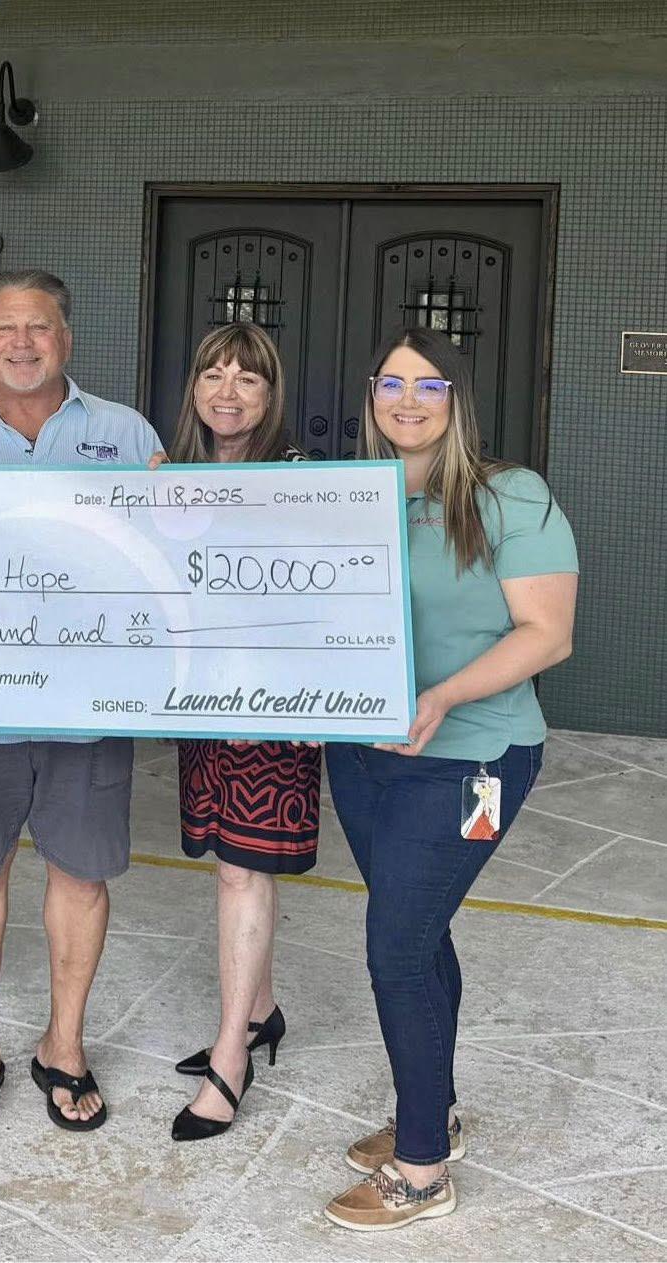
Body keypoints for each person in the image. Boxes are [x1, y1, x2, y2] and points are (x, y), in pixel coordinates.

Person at [322, 327, 577, 1231]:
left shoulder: (512, 496)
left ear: (457, 399)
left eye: (429, 385)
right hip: (361, 755)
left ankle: (422, 1167)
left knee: (396, 949)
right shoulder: (350, 494)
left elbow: (549, 634)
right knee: (418, 935)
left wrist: (442, 695)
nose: (408, 400)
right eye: (392, 382)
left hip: (474, 756)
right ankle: (435, 1111)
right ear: (371, 394)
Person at [0, 269, 163, 1133]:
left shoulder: (125, 434)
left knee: (81, 875)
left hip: (91, 708)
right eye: (5, 329)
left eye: (39, 327)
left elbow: (165, 560)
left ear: (66, 339)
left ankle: (65, 1044)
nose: (22, 343)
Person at [159, 323, 322, 1142]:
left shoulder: (298, 480)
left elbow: (331, 596)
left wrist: (331, 697)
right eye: (214, 374)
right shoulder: (174, 477)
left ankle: (231, 1058)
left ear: (270, 394)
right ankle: (259, 1010)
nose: (228, 391)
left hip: (274, 706)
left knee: (240, 870)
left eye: (247, 379)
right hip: (203, 703)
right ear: (194, 387)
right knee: (234, 862)